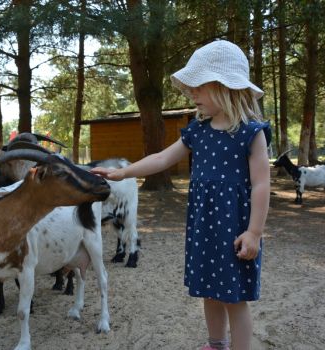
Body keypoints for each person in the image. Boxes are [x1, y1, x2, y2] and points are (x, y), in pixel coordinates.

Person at [92, 40, 271, 350]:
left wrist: (254, 232)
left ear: (224, 85)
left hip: (235, 231)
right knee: (209, 291)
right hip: (205, 229)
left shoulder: (250, 132)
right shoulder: (197, 131)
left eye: (199, 86)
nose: (192, 92)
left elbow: (261, 185)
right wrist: (124, 172)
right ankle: (216, 344)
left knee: (234, 298)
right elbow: (162, 158)